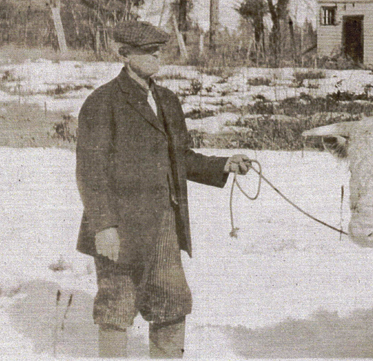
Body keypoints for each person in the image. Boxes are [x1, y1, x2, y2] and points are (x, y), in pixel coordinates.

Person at [75, 21, 251, 358]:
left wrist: (223, 164)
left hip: (164, 226)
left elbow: (179, 157)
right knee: (116, 305)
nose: (158, 55)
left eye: (160, 49)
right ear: (124, 54)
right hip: (119, 227)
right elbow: (90, 172)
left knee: (172, 302)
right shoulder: (102, 102)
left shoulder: (167, 100)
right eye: (149, 50)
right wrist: (104, 226)